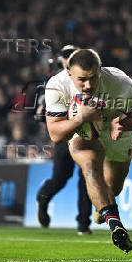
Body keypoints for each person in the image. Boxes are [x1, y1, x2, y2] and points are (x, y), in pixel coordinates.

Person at [44, 49, 132, 253]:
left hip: (116, 128)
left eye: (93, 78)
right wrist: (79, 118)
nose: (89, 85)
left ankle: (101, 207)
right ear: (69, 74)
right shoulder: (56, 86)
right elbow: (56, 135)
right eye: (82, 79)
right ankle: (115, 223)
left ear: (100, 70)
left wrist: (124, 124)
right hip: (80, 131)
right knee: (90, 165)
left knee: (114, 186)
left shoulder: (120, 83)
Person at [36, 45, 93, 235]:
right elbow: (40, 112)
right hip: (64, 136)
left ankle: (83, 223)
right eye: (66, 57)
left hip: (85, 134)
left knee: (87, 175)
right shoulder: (56, 82)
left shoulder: (85, 78)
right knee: (61, 178)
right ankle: (43, 198)